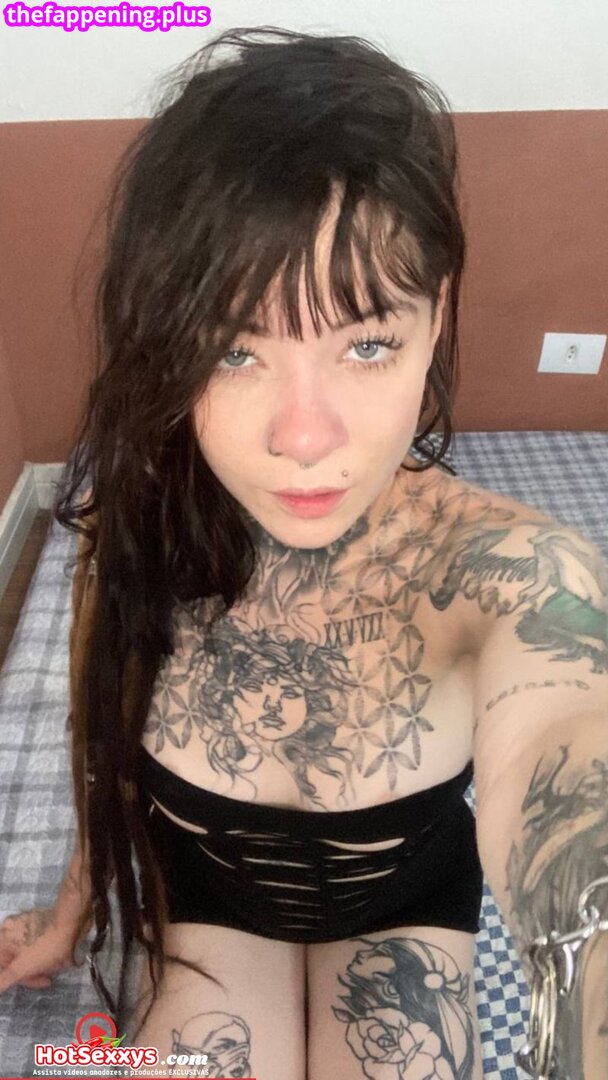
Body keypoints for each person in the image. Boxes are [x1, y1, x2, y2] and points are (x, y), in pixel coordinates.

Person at [1, 26, 607, 1080]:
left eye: (366, 343)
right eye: (234, 350)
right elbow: (104, 738)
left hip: (402, 913)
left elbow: (575, 795)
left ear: (434, 320)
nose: (304, 437)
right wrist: (71, 912)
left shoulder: (516, 582)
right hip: (202, 906)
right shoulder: (134, 528)